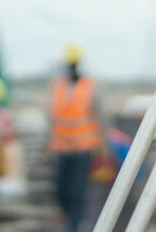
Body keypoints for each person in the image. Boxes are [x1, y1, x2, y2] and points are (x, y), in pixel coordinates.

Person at [49, 42, 104, 231]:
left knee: (77, 190)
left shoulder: (90, 86)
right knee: (61, 190)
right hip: (61, 147)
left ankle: (74, 226)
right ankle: (68, 221)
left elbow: (100, 116)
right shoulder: (57, 86)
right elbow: (53, 117)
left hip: (83, 147)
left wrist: (103, 145)